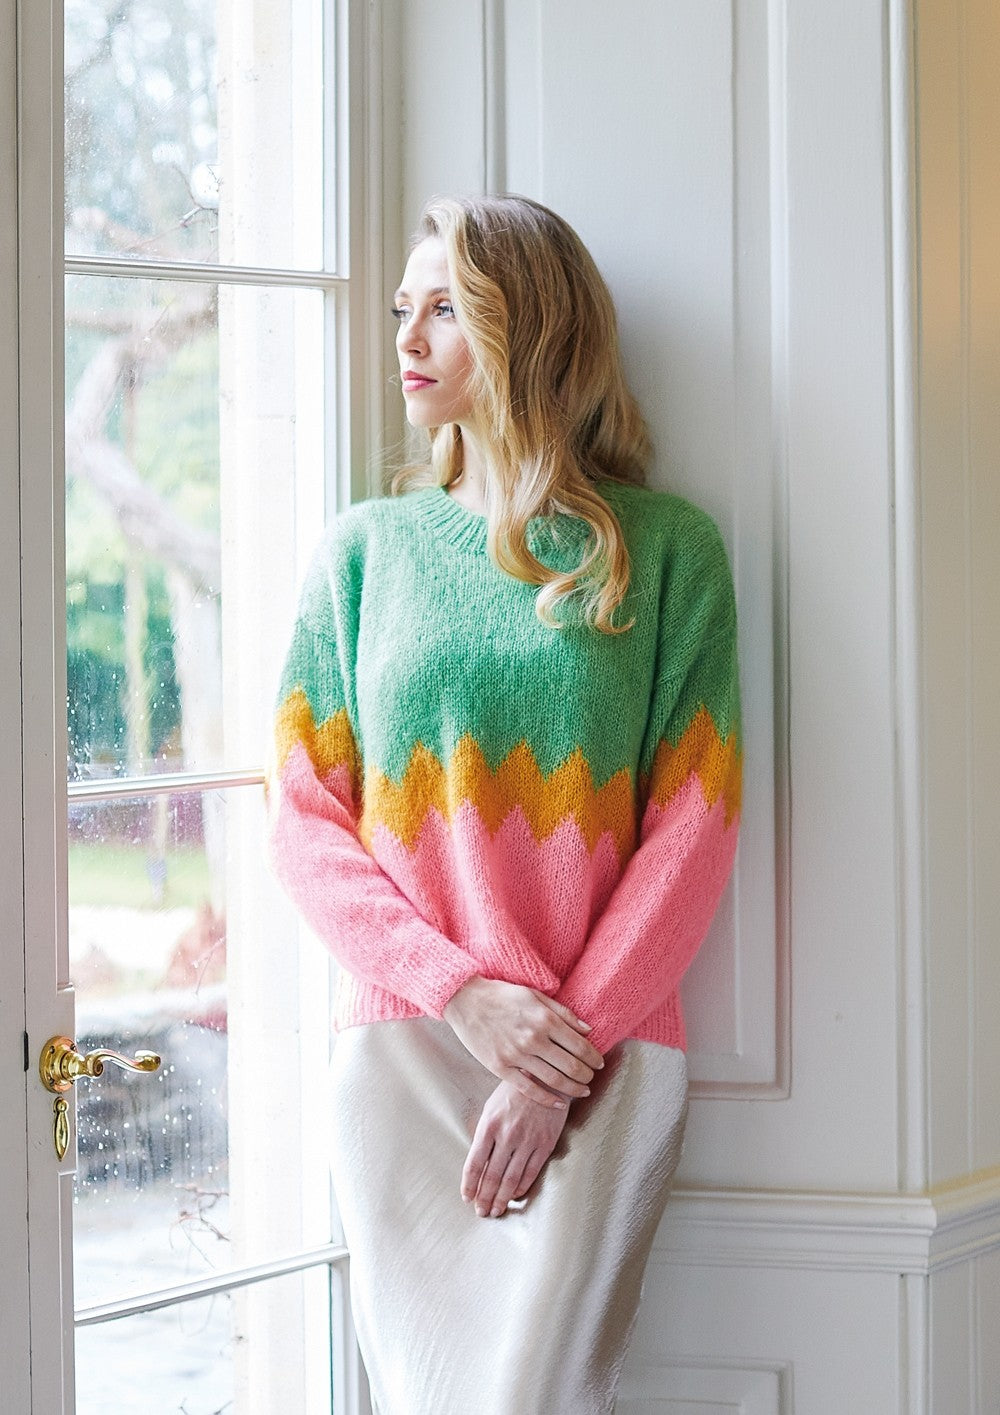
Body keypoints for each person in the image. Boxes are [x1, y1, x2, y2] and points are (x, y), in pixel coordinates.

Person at [268, 193, 742, 1415]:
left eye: (445, 308)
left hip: (599, 1050)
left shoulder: (667, 550)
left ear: (530, 329)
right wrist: (457, 991)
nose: (405, 337)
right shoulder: (362, 553)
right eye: (402, 308)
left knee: (538, 1392)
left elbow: (693, 828)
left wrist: (551, 1060)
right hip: (408, 1045)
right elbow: (304, 819)